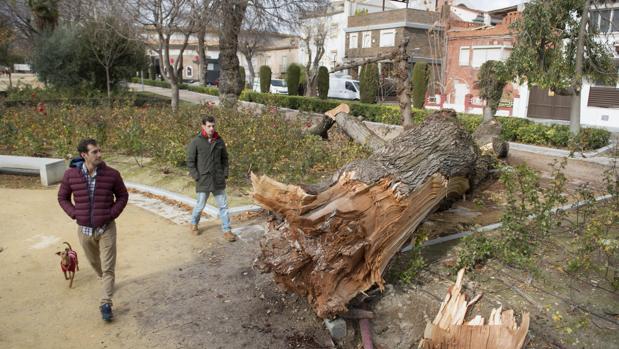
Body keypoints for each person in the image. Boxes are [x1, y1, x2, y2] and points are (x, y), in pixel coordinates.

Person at [57, 138, 128, 322]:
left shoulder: (112, 174)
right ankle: (106, 282)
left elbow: (122, 196)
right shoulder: (70, 175)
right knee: (96, 265)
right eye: (94, 152)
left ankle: (106, 303)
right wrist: (75, 214)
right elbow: (62, 197)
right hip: (85, 231)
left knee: (108, 267)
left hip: (106, 228)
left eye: (99, 150)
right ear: (84, 155)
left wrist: (111, 214)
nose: (99, 154)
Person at [187, 115, 236, 242]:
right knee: (200, 205)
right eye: (209, 126)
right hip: (203, 179)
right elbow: (190, 161)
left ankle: (227, 230)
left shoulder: (219, 141)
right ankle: (194, 224)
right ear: (203, 126)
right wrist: (196, 176)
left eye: (213, 126)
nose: (211, 128)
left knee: (223, 206)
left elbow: (225, 159)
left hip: (218, 179)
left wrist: (224, 174)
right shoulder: (196, 142)